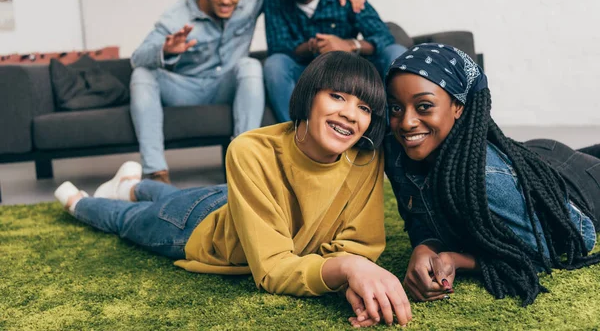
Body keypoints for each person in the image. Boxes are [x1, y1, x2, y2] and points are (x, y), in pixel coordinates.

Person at [54, 51, 413, 327]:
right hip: (200, 226)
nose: (351, 114)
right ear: (309, 95)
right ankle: (77, 201)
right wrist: (346, 268)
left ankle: (133, 184)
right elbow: (272, 268)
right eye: (337, 96)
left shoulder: (364, 157)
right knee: (129, 220)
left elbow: (357, 245)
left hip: (240, 205)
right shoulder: (250, 149)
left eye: (364, 107)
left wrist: (350, 270)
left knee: (168, 196)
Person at [384, 43, 600, 308]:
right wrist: (425, 246)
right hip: (536, 155)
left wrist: (458, 260)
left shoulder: (486, 178)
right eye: (395, 108)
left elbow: (579, 236)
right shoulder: (397, 152)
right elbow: (418, 216)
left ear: (458, 107)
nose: (406, 122)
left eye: (424, 106)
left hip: (581, 184)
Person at [129, 0, 365, 184]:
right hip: (185, 89)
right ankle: (156, 173)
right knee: (142, 75)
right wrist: (166, 49)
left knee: (251, 65)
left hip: (225, 86)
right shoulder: (177, 17)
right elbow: (137, 57)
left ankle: (242, 161)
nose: (226, 0)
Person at [263, 0, 407, 123]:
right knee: (274, 65)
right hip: (307, 74)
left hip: (352, 71)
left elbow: (382, 35)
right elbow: (278, 47)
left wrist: (349, 45)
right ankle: (296, 135)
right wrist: (313, 46)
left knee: (395, 52)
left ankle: (394, 130)